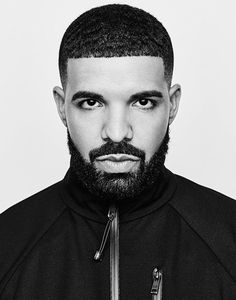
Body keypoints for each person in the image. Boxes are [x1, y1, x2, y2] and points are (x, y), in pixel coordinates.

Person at [0, 4, 236, 299]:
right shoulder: (7, 244)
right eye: (91, 103)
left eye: (142, 102)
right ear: (62, 106)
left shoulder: (229, 239)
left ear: (172, 104)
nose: (116, 132)